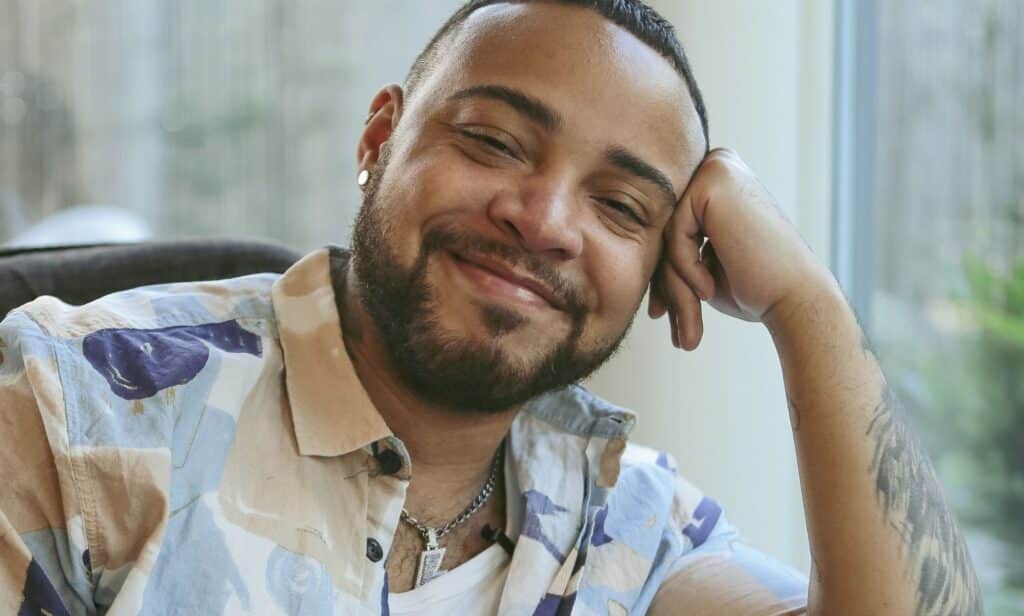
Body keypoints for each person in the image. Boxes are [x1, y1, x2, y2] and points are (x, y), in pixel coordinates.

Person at [0, 1, 982, 614]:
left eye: (619, 205)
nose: (543, 219)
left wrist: (805, 308)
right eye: (495, 143)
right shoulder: (71, 407)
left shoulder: (629, 529)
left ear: (659, 271)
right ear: (380, 137)